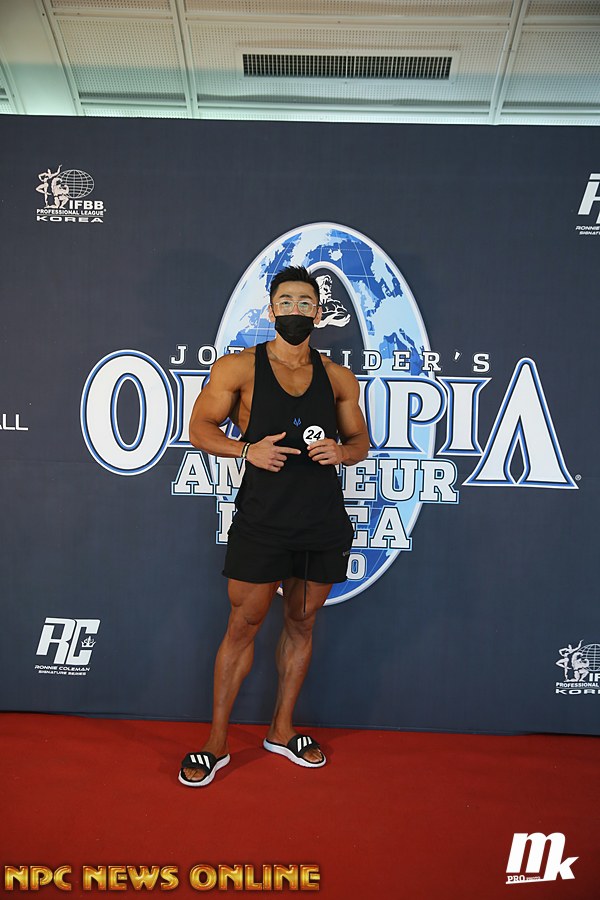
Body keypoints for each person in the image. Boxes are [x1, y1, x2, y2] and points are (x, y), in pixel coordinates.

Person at [179, 265, 370, 787]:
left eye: (305, 303)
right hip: (262, 522)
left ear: (318, 313)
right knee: (243, 626)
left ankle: (281, 731)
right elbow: (199, 428)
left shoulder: (338, 378)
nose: (294, 310)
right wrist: (246, 449)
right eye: (285, 302)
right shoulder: (238, 368)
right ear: (271, 310)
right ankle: (216, 743)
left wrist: (343, 452)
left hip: (322, 524)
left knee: (302, 624)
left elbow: (360, 441)